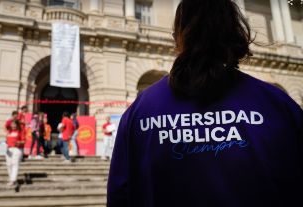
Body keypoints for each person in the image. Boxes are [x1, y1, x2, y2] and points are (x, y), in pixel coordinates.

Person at [107, 0, 303, 206]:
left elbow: (120, 195)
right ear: (235, 33)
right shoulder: (277, 105)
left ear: (177, 37)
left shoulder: (140, 111)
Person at [5, 121, 24, 186]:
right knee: (8, 164)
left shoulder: (20, 132)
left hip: (17, 149)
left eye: (14, 124)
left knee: (14, 163)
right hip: (9, 150)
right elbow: (6, 141)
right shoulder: (8, 132)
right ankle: (11, 178)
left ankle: (13, 180)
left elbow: (24, 141)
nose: (13, 126)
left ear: (17, 125)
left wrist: (19, 142)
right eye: (12, 124)